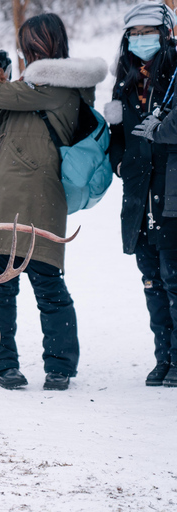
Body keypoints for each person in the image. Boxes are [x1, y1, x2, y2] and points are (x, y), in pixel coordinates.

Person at [0, 13, 107, 391]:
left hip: (37, 199)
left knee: (45, 284)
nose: (24, 51)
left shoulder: (61, 86)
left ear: (42, 46)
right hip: (4, 197)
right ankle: (3, 365)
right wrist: (2, 76)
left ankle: (58, 366)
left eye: (27, 45)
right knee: (1, 285)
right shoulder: (33, 87)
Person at [107, 2, 177, 387]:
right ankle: (162, 358)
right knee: (151, 281)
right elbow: (116, 138)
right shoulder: (125, 80)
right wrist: (121, 164)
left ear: (165, 33)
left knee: (174, 278)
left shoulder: (175, 75)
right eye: (135, 33)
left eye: (149, 32)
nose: (141, 40)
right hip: (138, 195)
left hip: (170, 193)